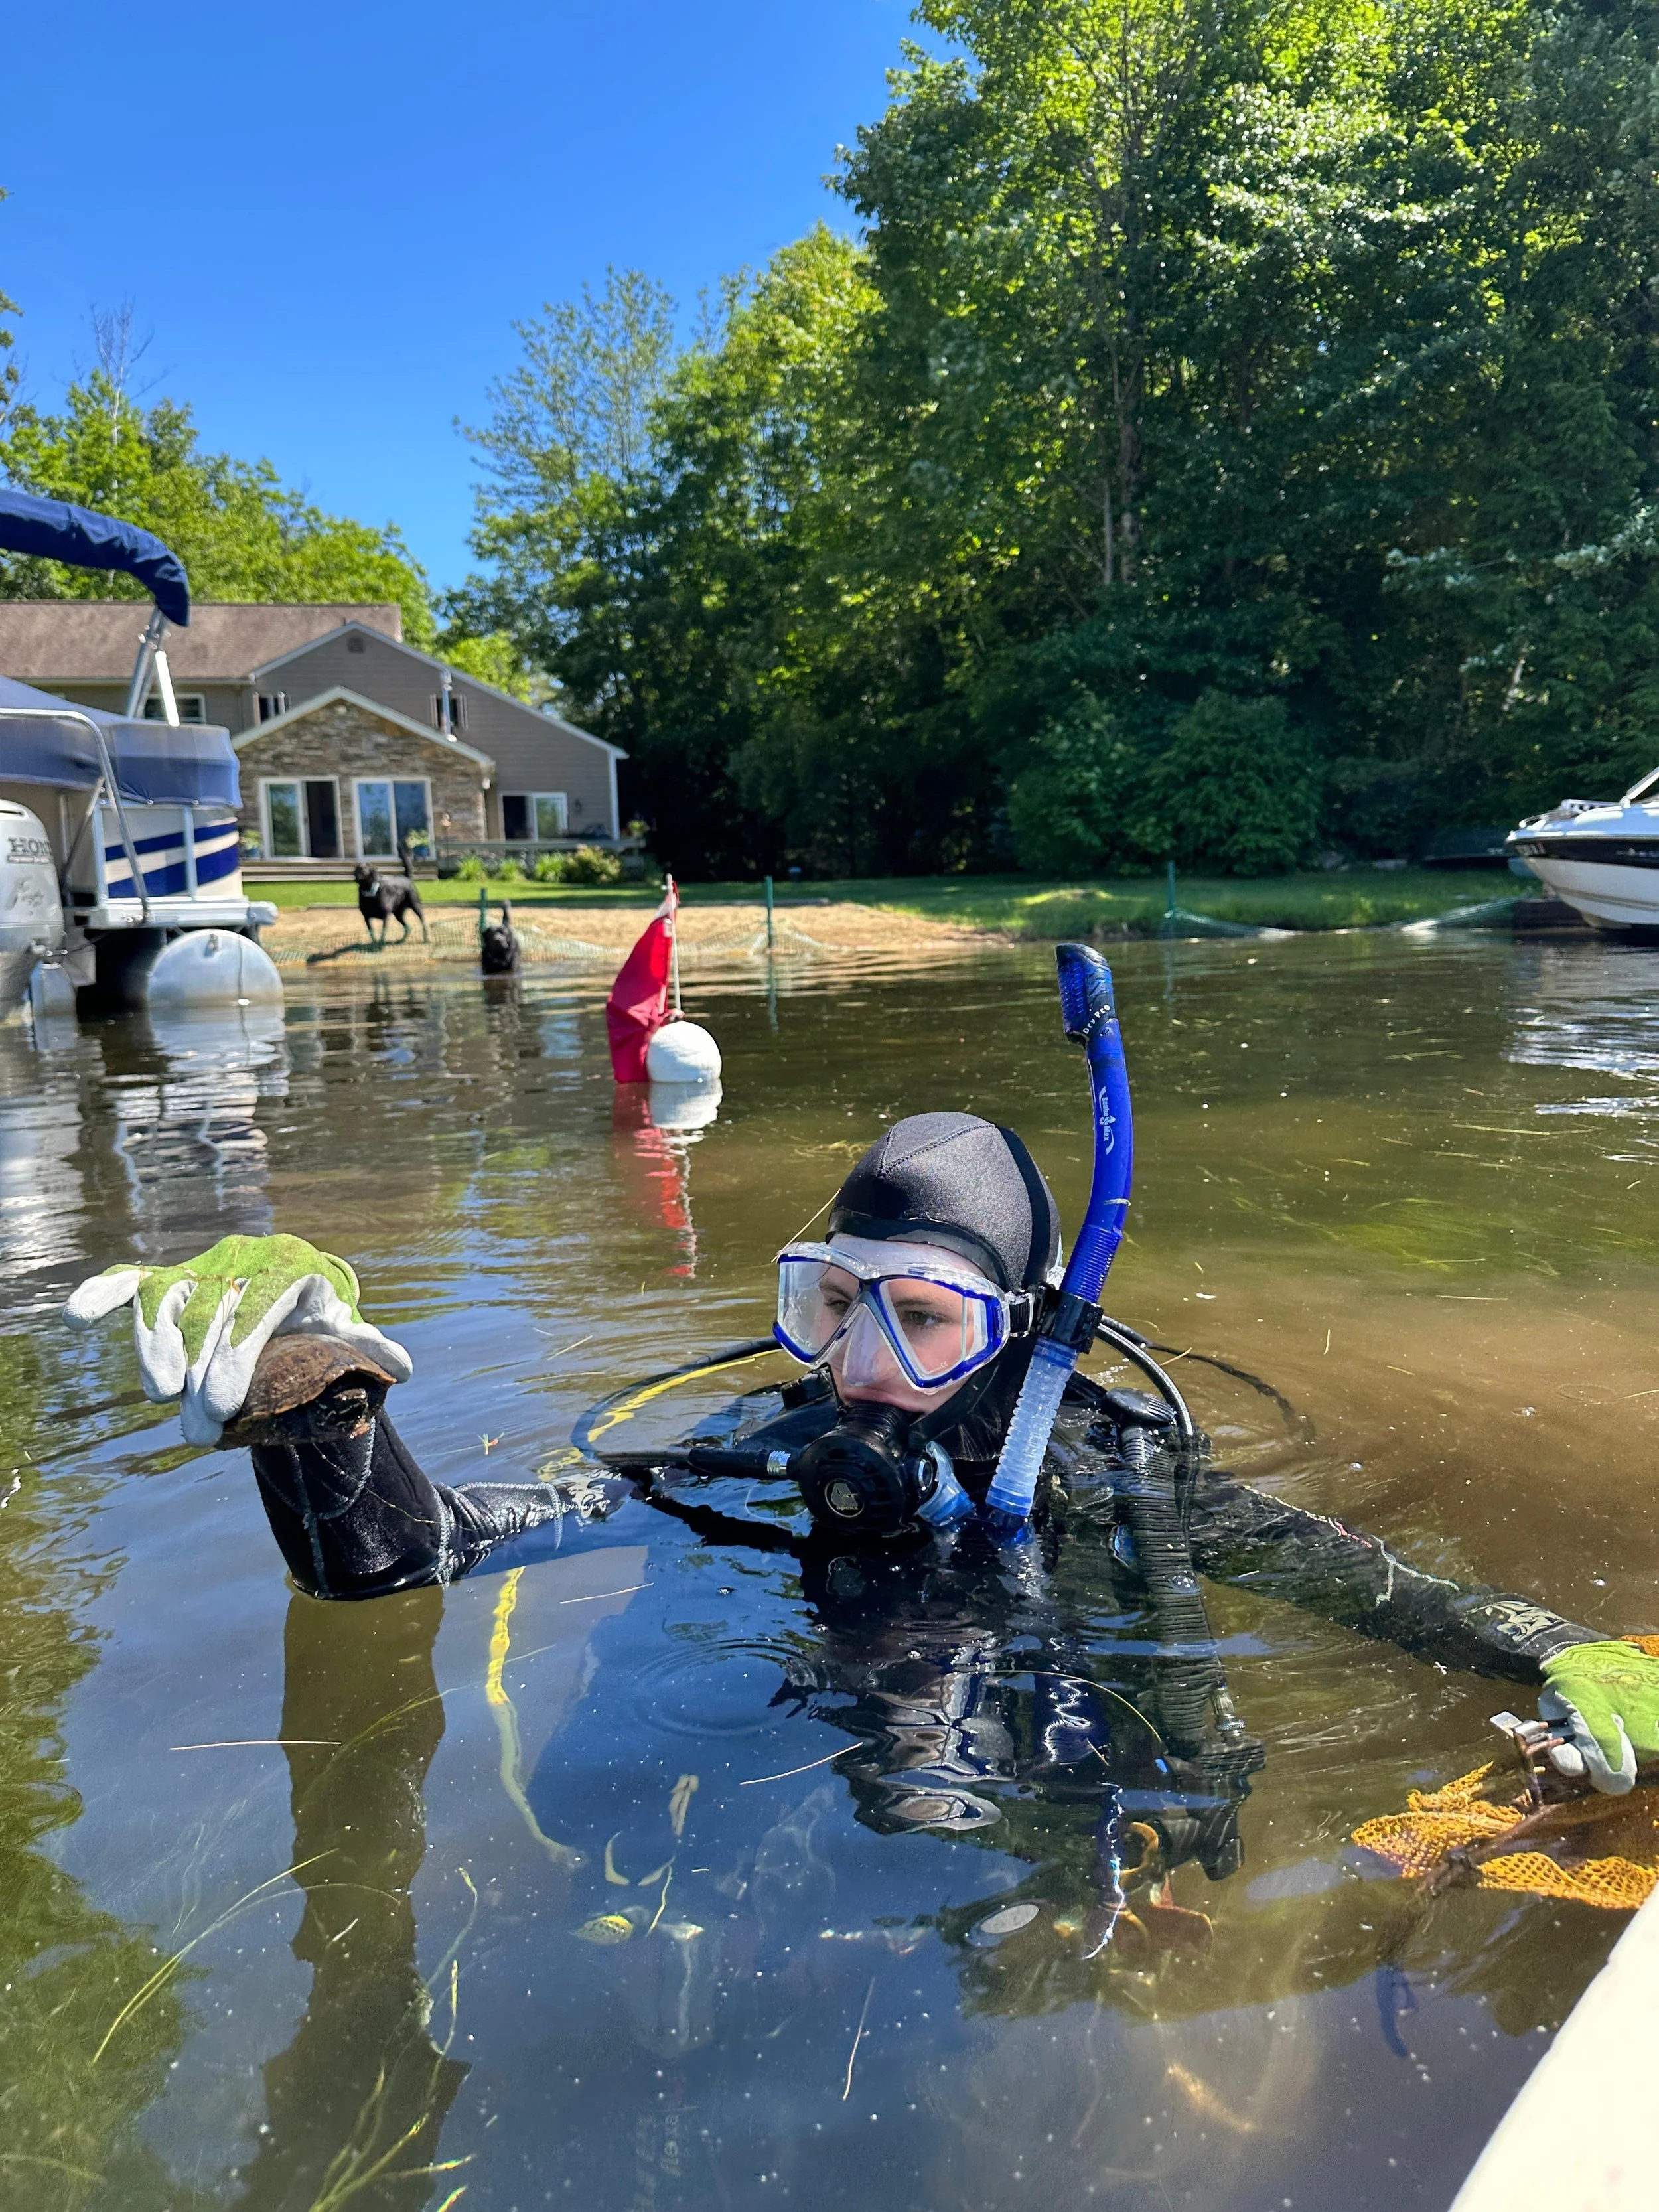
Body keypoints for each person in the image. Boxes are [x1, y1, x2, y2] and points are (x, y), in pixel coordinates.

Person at [64, 1111, 1659, 1900]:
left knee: (974, 1834)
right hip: (800, 1785)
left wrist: (1573, 1648)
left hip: (1061, 1816)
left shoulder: (1117, 1470)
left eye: (924, 1317)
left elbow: (1382, 1593)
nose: (864, 1359)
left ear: (1022, 1328)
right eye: (832, 1301)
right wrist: (318, 1394)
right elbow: (408, 1558)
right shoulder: (782, 1445)